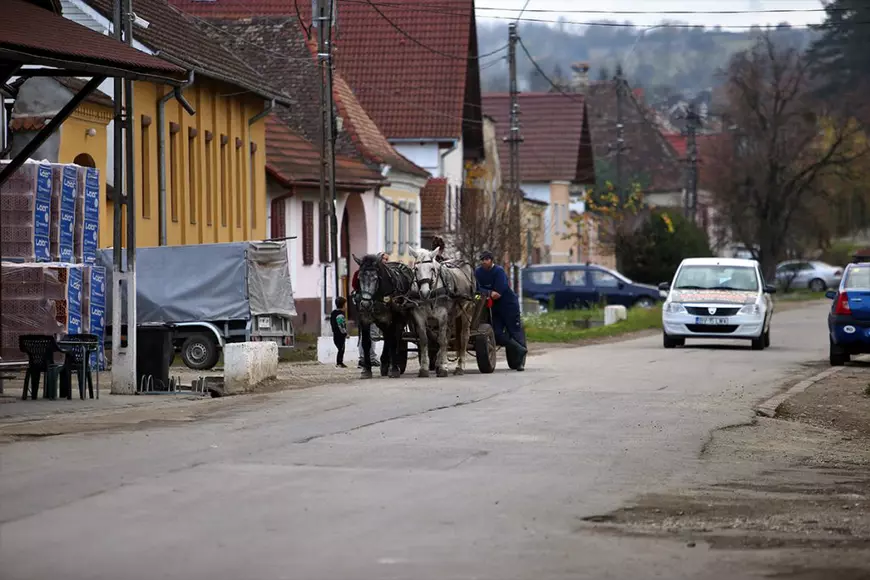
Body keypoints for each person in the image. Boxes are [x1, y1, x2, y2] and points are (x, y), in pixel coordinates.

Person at [474, 250, 527, 371]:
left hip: (508, 305)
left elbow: (497, 294)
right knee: (496, 333)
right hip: (494, 307)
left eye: (486, 259)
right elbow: (476, 288)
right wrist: (488, 292)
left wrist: (485, 292)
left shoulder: (499, 272)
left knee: (514, 331)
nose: (484, 262)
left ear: (491, 260)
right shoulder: (478, 272)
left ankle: (519, 362)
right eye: (482, 259)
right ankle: (518, 349)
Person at [330, 296, 349, 368]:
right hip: (340, 335)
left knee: (340, 348)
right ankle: (339, 363)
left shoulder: (333, 313)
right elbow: (341, 325)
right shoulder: (340, 314)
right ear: (343, 305)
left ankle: (340, 362)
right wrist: (345, 333)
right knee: (341, 349)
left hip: (335, 334)